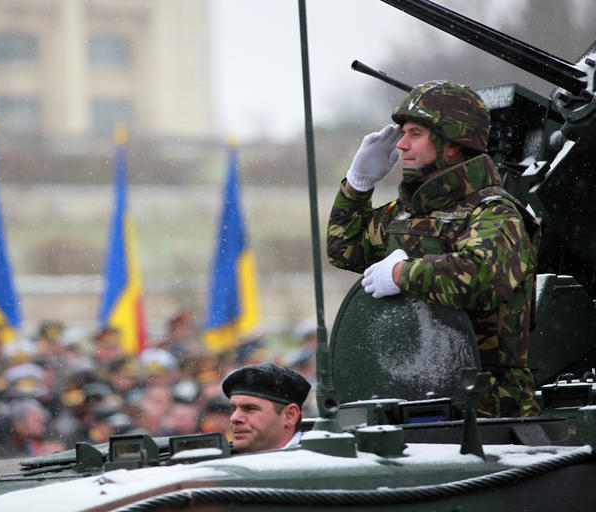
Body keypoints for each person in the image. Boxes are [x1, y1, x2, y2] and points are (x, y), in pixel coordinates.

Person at [327, 80, 540, 418]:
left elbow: (483, 276)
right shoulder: (407, 212)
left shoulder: (495, 213)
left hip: (491, 412)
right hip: (412, 402)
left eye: (414, 134)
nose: (401, 145)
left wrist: (402, 273)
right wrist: (358, 184)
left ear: (453, 145)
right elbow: (345, 248)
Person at [222, 363, 311, 453]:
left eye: (250, 408)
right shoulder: (219, 463)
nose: (234, 418)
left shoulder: (318, 462)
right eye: (234, 409)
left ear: (290, 415)